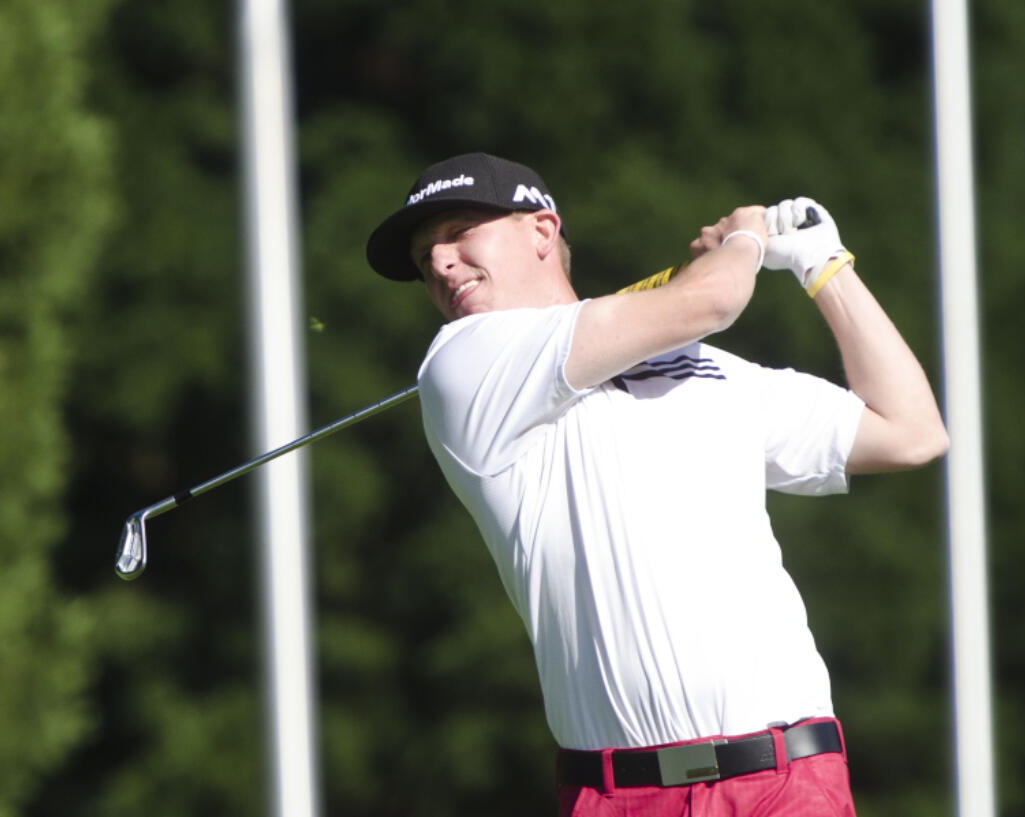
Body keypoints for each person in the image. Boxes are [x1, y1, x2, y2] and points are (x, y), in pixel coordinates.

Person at [366, 152, 948, 817]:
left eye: (460, 230)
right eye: (423, 257)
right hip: (622, 796)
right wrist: (745, 240)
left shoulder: (704, 369)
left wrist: (825, 266)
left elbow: (910, 431)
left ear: (542, 230)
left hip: (787, 782)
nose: (439, 262)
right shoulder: (463, 364)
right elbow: (715, 298)